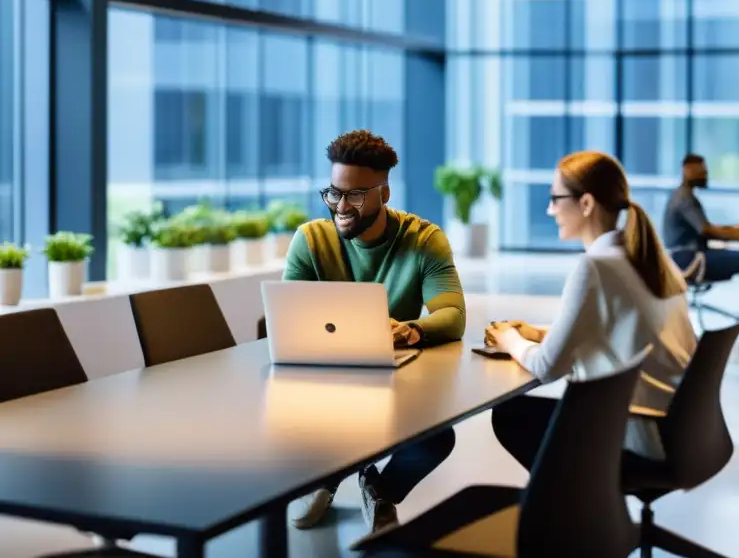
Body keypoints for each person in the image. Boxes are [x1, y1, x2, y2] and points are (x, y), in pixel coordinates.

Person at [284, 130, 466, 532]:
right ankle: (327, 475)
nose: (341, 206)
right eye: (334, 193)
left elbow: (452, 315)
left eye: (355, 195)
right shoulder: (310, 240)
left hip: (393, 384)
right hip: (324, 384)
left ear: (383, 193)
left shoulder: (424, 240)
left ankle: (378, 488)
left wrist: (409, 331)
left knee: (437, 438)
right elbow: (289, 320)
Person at [486, 150, 698, 467]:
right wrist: (539, 332)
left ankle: (573, 507)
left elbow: (547, 368)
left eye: (556, 199)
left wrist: (510, 340)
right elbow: (616, 325)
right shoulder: (646, 255)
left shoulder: (595, 266)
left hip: (637, 436)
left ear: (585, 204)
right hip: (680, 429)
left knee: (510, 416)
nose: (550, 209)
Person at [663, 153, 739, 283]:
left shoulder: (681, 195)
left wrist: (736, 229)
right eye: (701, 172)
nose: (705, 176)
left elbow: (705, 227)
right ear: (687, 171)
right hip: (689, 259)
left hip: (685, 256)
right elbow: (706, 230)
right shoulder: (684, 199)